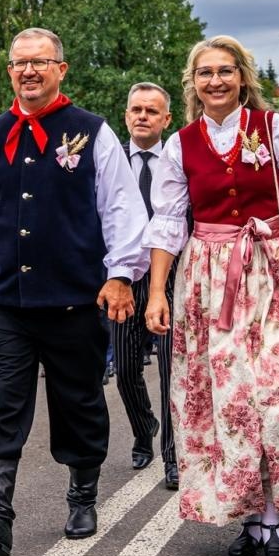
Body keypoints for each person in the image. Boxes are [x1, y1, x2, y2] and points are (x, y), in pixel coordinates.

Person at [0, 27, 147, 556]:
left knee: (77, 399)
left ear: (62, 67)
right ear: (9, 71)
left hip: (76, 299)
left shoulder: (92, 132)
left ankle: (82, 496)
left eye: (40, 62)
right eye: (19, 64)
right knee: (2, 405)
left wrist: (121, 273)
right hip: (4, 302)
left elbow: (122, 209)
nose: (28, 71)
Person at [143, 35, 279, 556]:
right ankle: (252, 516)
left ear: (242, 78)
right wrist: (157, 290)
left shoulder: (274, 129)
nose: (215, 81)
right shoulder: (180, 144)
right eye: (205, 73)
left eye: (225, 71)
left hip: (268, 271)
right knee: (224, 401)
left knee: (276, 397)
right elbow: (167, 223)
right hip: (205, 279)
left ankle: (274, 513)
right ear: (193, 83)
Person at [111, 82, 178, 489]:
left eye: (152, 111)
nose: (142, 116)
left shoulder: (177, 159)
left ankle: (172, 455)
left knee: (172, 370)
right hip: (125, 280)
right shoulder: (112, 161)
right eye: (136, 109)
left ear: (165, 119)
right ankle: (143, 428)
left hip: (170, 280)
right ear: (126, 115)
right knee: (124, 371)